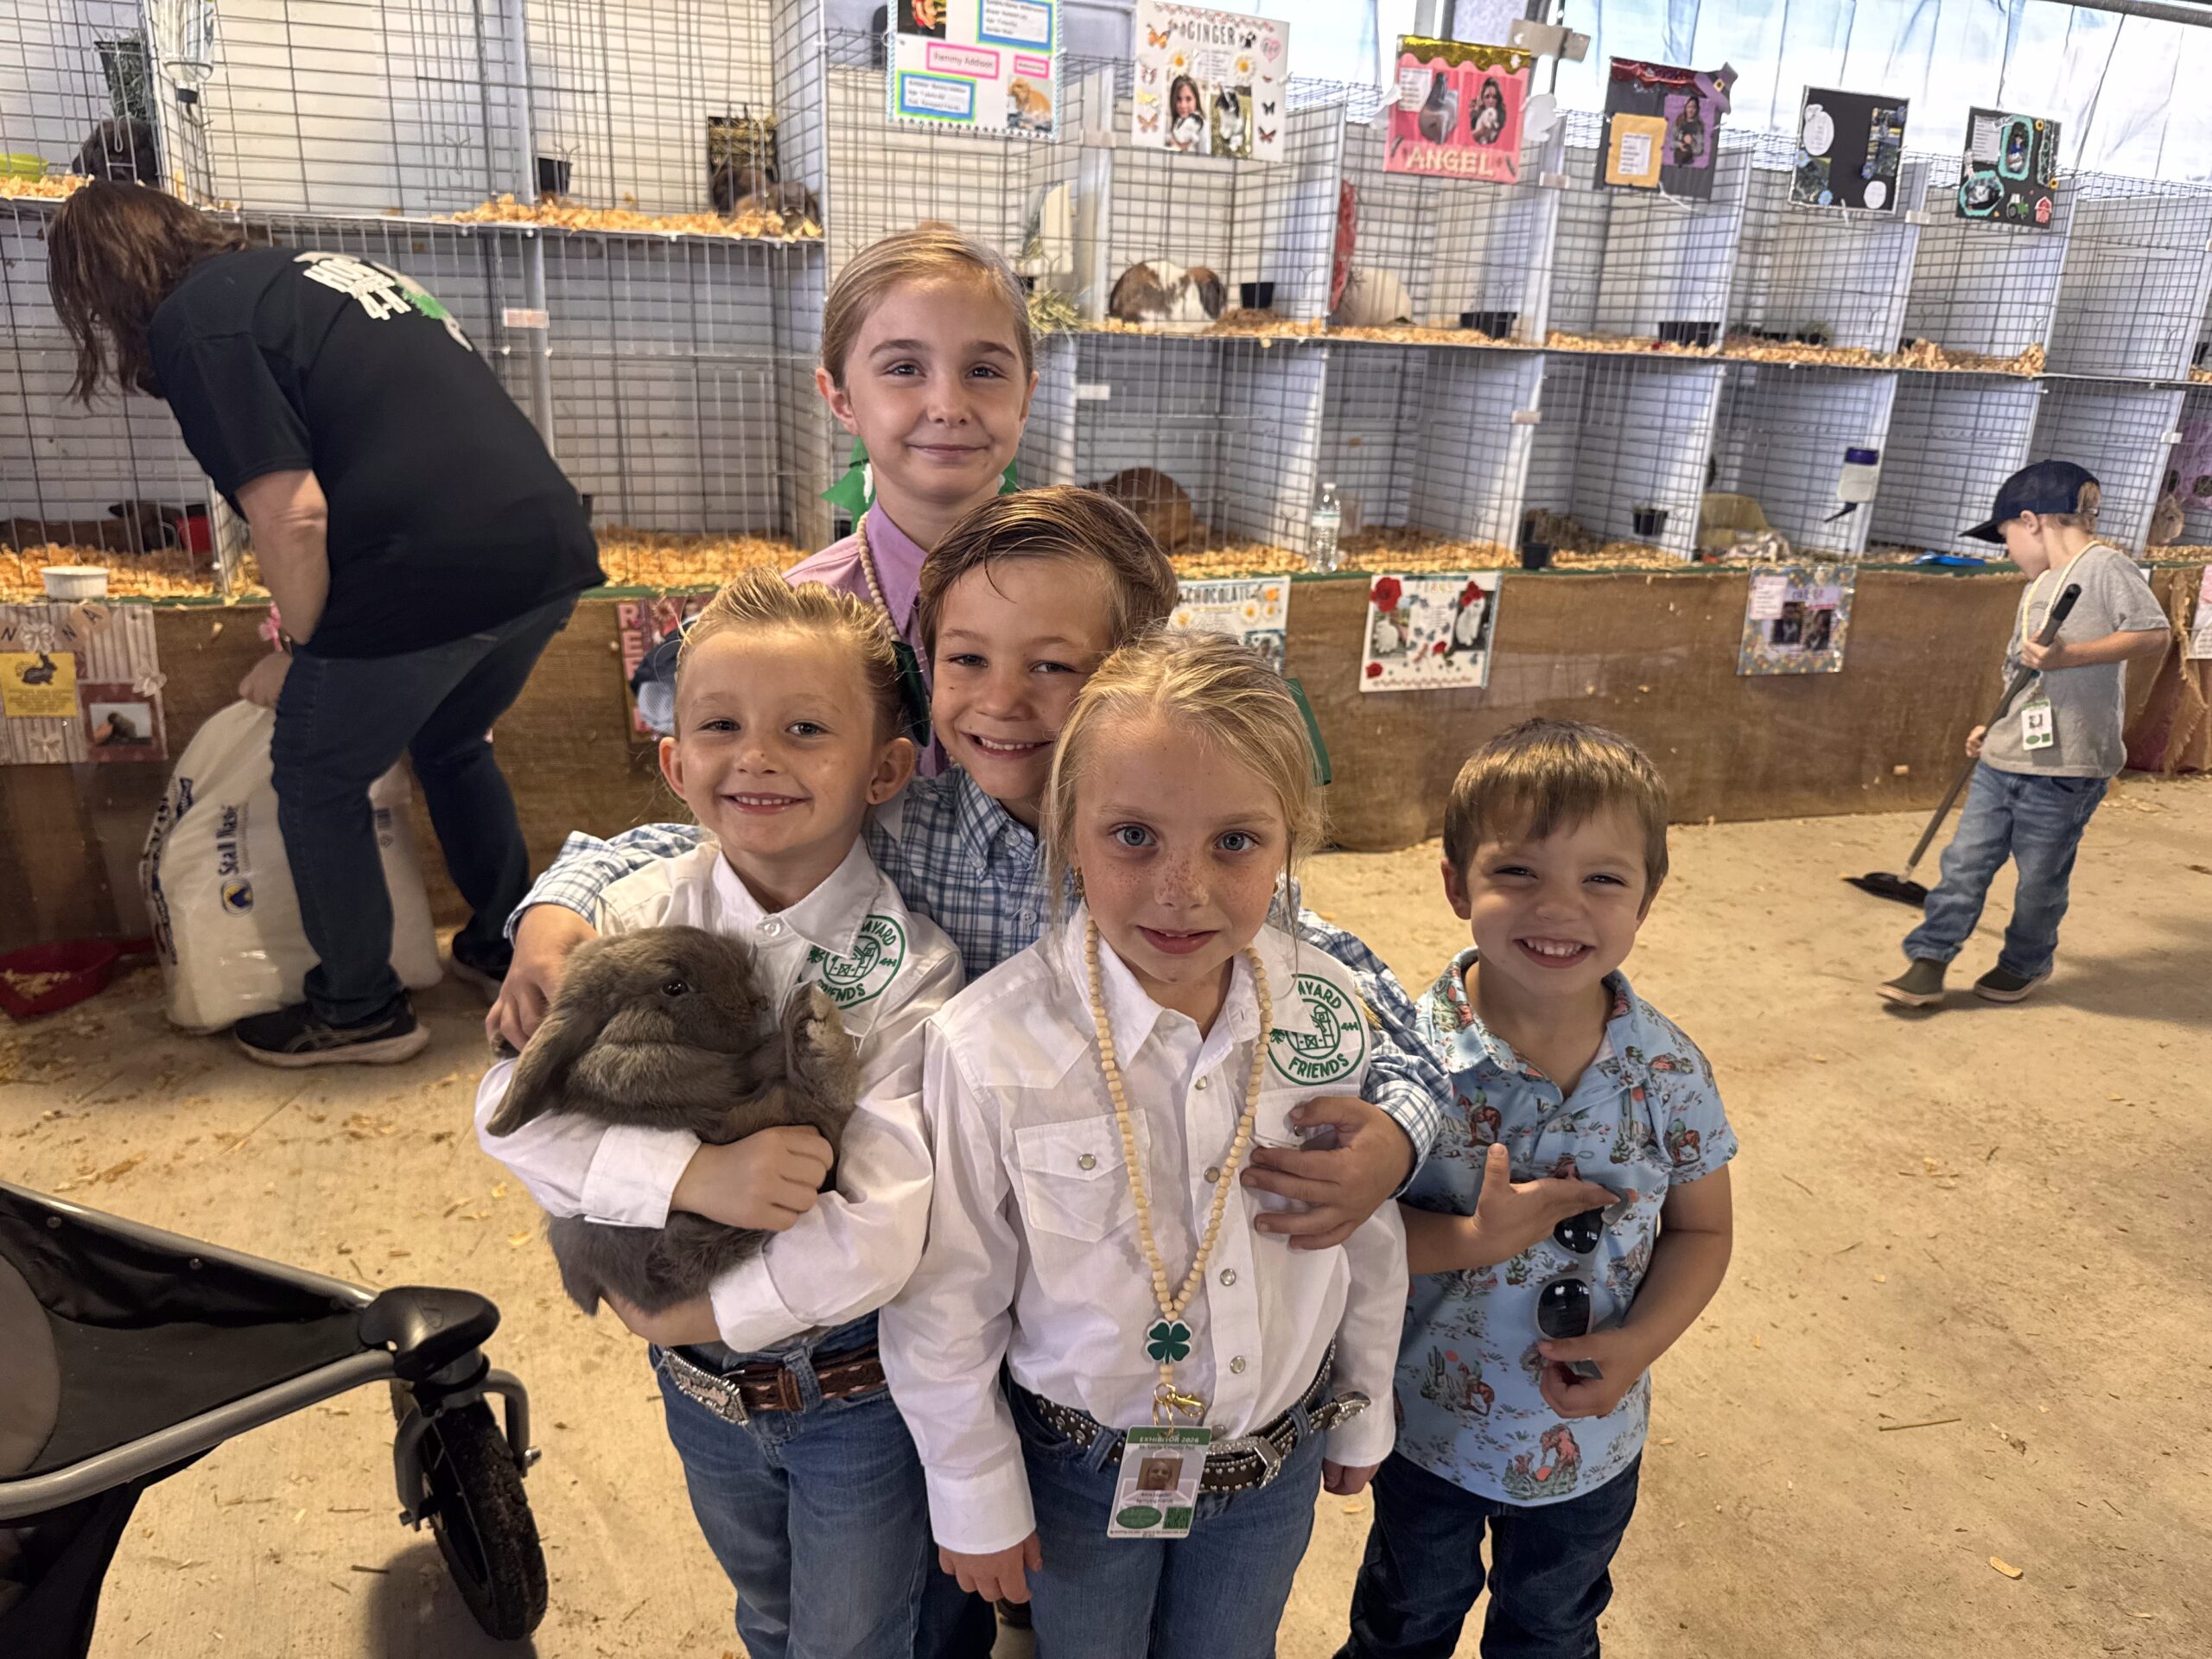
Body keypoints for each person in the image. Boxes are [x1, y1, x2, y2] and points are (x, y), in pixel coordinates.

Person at [493, 487, 1449, 1252]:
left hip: (1107, 1248)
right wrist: (556, 906)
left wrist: (1398, 1135)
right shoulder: (904, 825)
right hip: (929, 1236)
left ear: (1132, 675)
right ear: (924, 666)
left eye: (1052, 668)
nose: (999, 702)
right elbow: (693, 839)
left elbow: (1360, 1000)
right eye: (966, 659)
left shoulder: (1184, 860)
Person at [474, 569, 976, 1658]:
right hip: (699, 1392)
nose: (756, 756)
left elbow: (885, 1222)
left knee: (854, 1636)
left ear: (886, 769)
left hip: (847, 1388)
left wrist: (689, 1319)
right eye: (719, 726)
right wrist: (688, 1183)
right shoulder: (630, 916)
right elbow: (508, 1110)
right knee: (767, 1609)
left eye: (805, 729)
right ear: (673, 761)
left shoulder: (912, 968)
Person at [881, 631, 1407, 1658]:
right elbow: (948, 1292)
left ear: (1289, 843)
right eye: (1132, 837)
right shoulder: (988, 1045)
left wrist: (1364, 1399)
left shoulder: (1327, 1013)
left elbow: (1364, 1234)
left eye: (1235, 843)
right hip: (1081, 1470)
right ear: (1068, 832)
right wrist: (973, 1486)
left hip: (1274, 1456)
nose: (1183, 888)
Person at [46, 182, 601, 1065]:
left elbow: (294, 515)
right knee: (455, 741)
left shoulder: (198, 324)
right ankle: (505, 947)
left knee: (313, 773)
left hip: (426, 566)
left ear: (102, 285)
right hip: (545, 550)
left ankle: (356, 1010)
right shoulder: (314, 275)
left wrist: (304, 656)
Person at [1338, 719, 1737, 1659]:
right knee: (1404, 1622)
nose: (1559, 909)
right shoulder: (1406, 1063)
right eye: (1518, 872)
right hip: (1422, 1430)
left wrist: (1636, 1345)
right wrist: (1471, 1236)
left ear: (1647, 898)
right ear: (1453, 884)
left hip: (1590, 1447)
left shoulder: (1668, 1071)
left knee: (1553, 1629)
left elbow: (1703, 1233)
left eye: (1602, 879)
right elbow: (1352, 1232)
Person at [1880, 461, 2170, 1008]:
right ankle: (1930, 958)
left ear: (2032, 521)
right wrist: (1992, 725)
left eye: (2007, 536)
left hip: (2070, 767)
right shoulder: (2038, 585)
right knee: (1965, 862)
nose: (2008, 549)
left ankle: (2025, 962)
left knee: (2039, 879)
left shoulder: (2105, 567)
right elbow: (2024, 671)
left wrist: (2072, 657)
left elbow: (2154, 635)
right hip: (2005, 757)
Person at [787, 222, 1036, 718]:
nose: (948, 406)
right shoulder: (794, 623)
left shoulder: (1087, 601)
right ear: (841, 400)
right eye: (904, 368)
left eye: (983, 371)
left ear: (1025, 399)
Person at [1168, 75, 1205, 153]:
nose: (1183, 105)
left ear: (1196, 100)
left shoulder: (1202, 128)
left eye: (1188, 99)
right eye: (1178, 99)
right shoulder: (1175, 124)